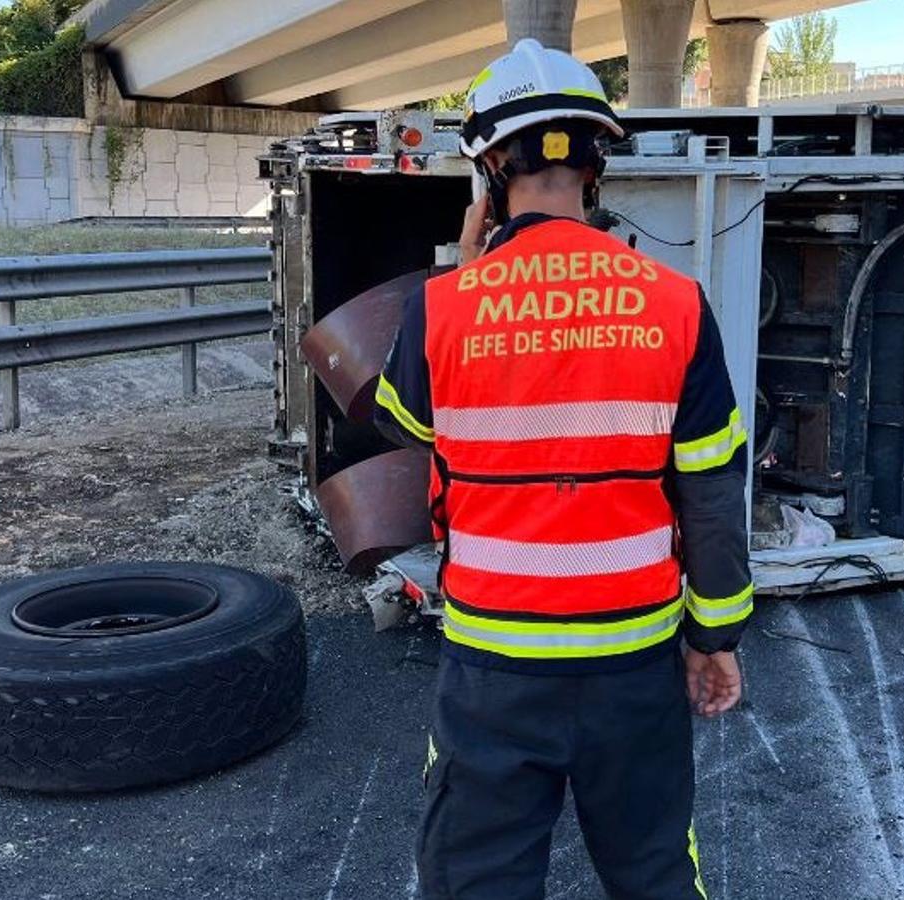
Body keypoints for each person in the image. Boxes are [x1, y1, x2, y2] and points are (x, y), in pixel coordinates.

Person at [373, 38, 753, 900]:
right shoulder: (674, 303)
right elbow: (713, 496)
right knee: (655, 870)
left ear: (489, 171)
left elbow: (404, 425)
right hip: (636, 663)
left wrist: (465, 277)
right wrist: (715, 639)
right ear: (593, 163)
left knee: (478, 879)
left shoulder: (441, 307)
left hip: (493, 671)